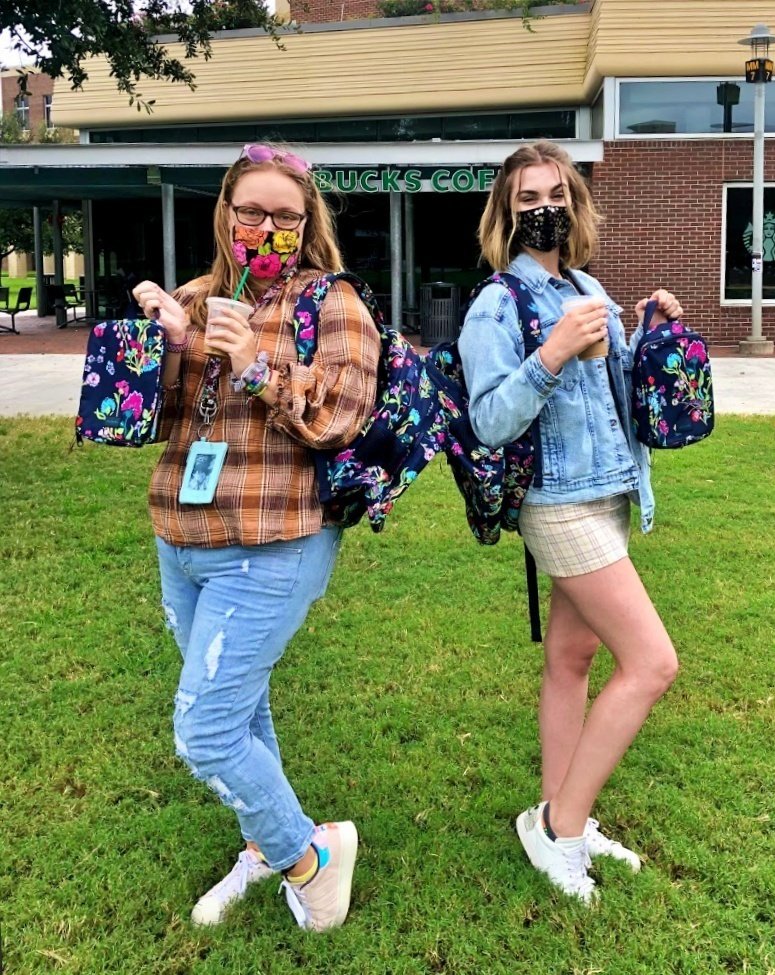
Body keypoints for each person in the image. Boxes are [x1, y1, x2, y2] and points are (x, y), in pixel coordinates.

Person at [131, 144, 379, 930]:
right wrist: (169, 346)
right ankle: (264, 845)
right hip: (182, 536)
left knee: (205, 731)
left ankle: (310, 859)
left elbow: (343, 416)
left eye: (285, 215)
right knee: (239, 712)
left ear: (307, 222)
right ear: (226, 213)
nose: (266, 227)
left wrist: (255, 364)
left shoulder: (333, 303)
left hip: (274, 543)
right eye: (251, 211)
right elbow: (153, 422)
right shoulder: (198, 296)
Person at [458, 140, 681, 904]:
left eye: (556, 194)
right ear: (506, 212)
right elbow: (490, 421)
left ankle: (560, 811)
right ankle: (559, 829)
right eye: (527, 199)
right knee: (651, 662)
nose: (544, 208)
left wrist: (647, 331)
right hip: (556, 503)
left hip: (608, 491)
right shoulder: (497, 304)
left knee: (572, 658)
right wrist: (549, 354)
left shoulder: (589, 286)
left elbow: (614, 393)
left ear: (576, 204)